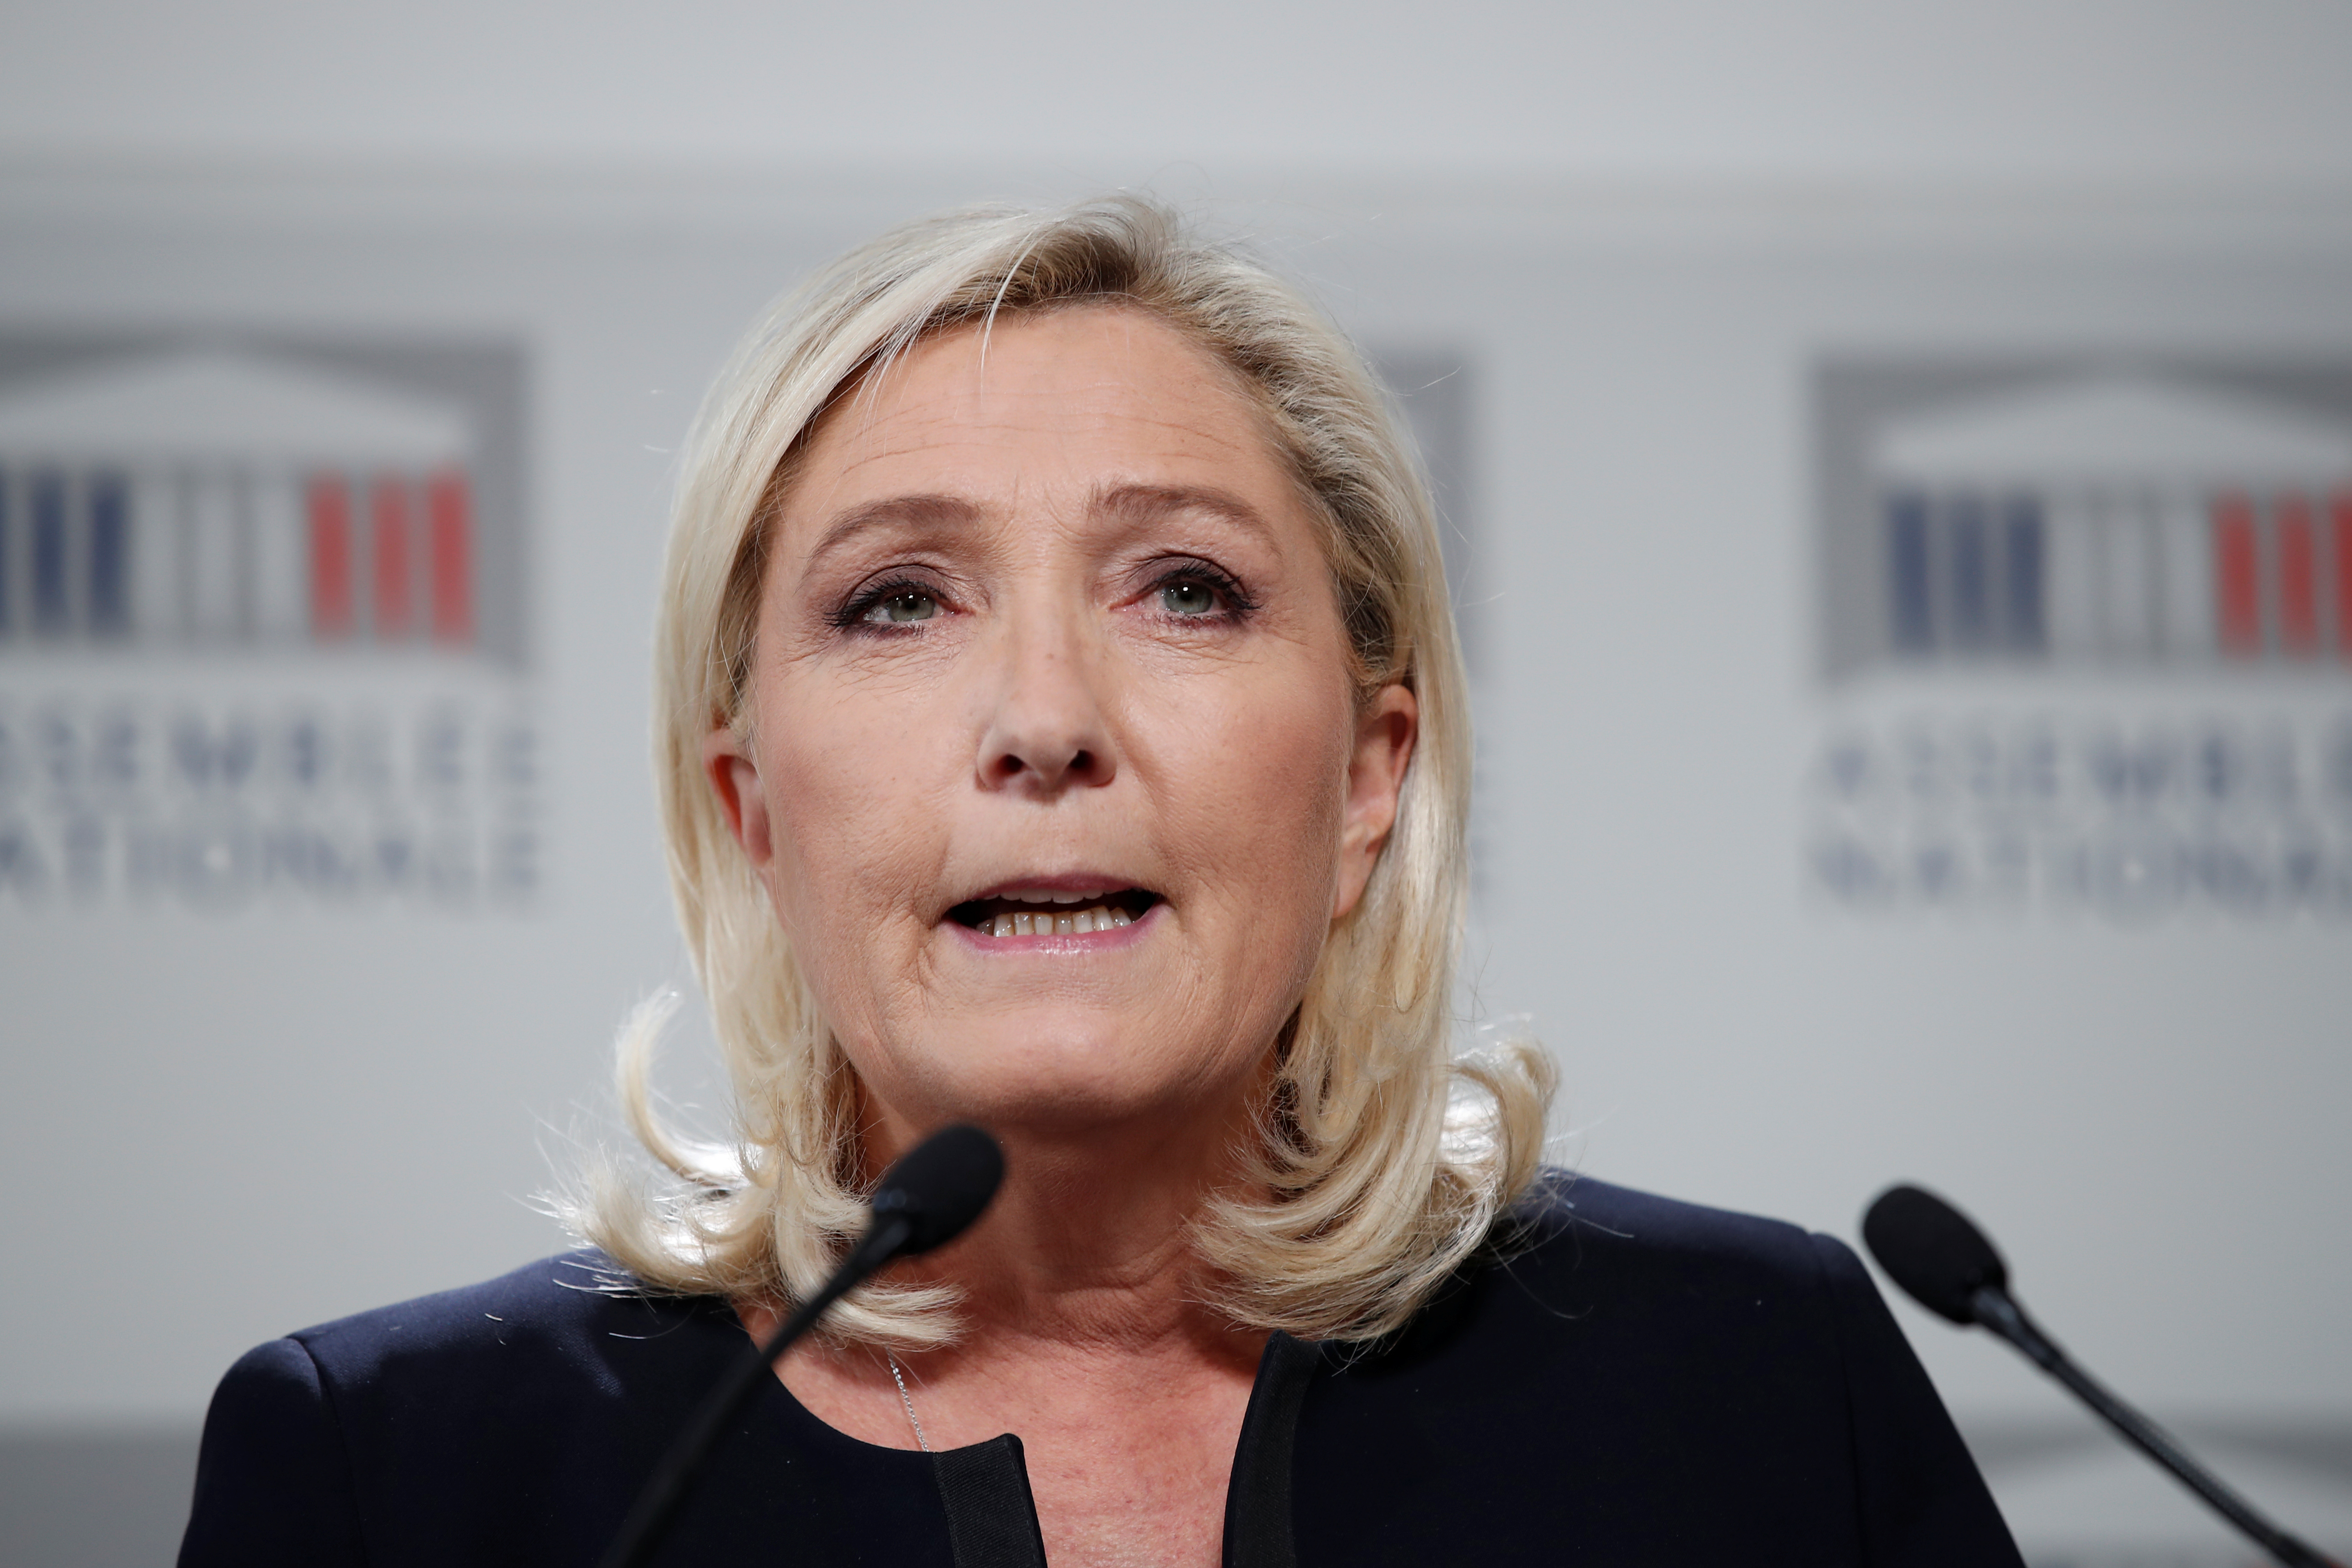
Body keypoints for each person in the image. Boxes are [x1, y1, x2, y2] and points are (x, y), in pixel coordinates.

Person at [179, 197, 2023, 1568]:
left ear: (1369, 777)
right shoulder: (398, 1477)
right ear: (753, 809)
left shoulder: (1754, 1389)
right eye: (898, 601)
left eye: (1185, 590)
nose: (1046, 722)